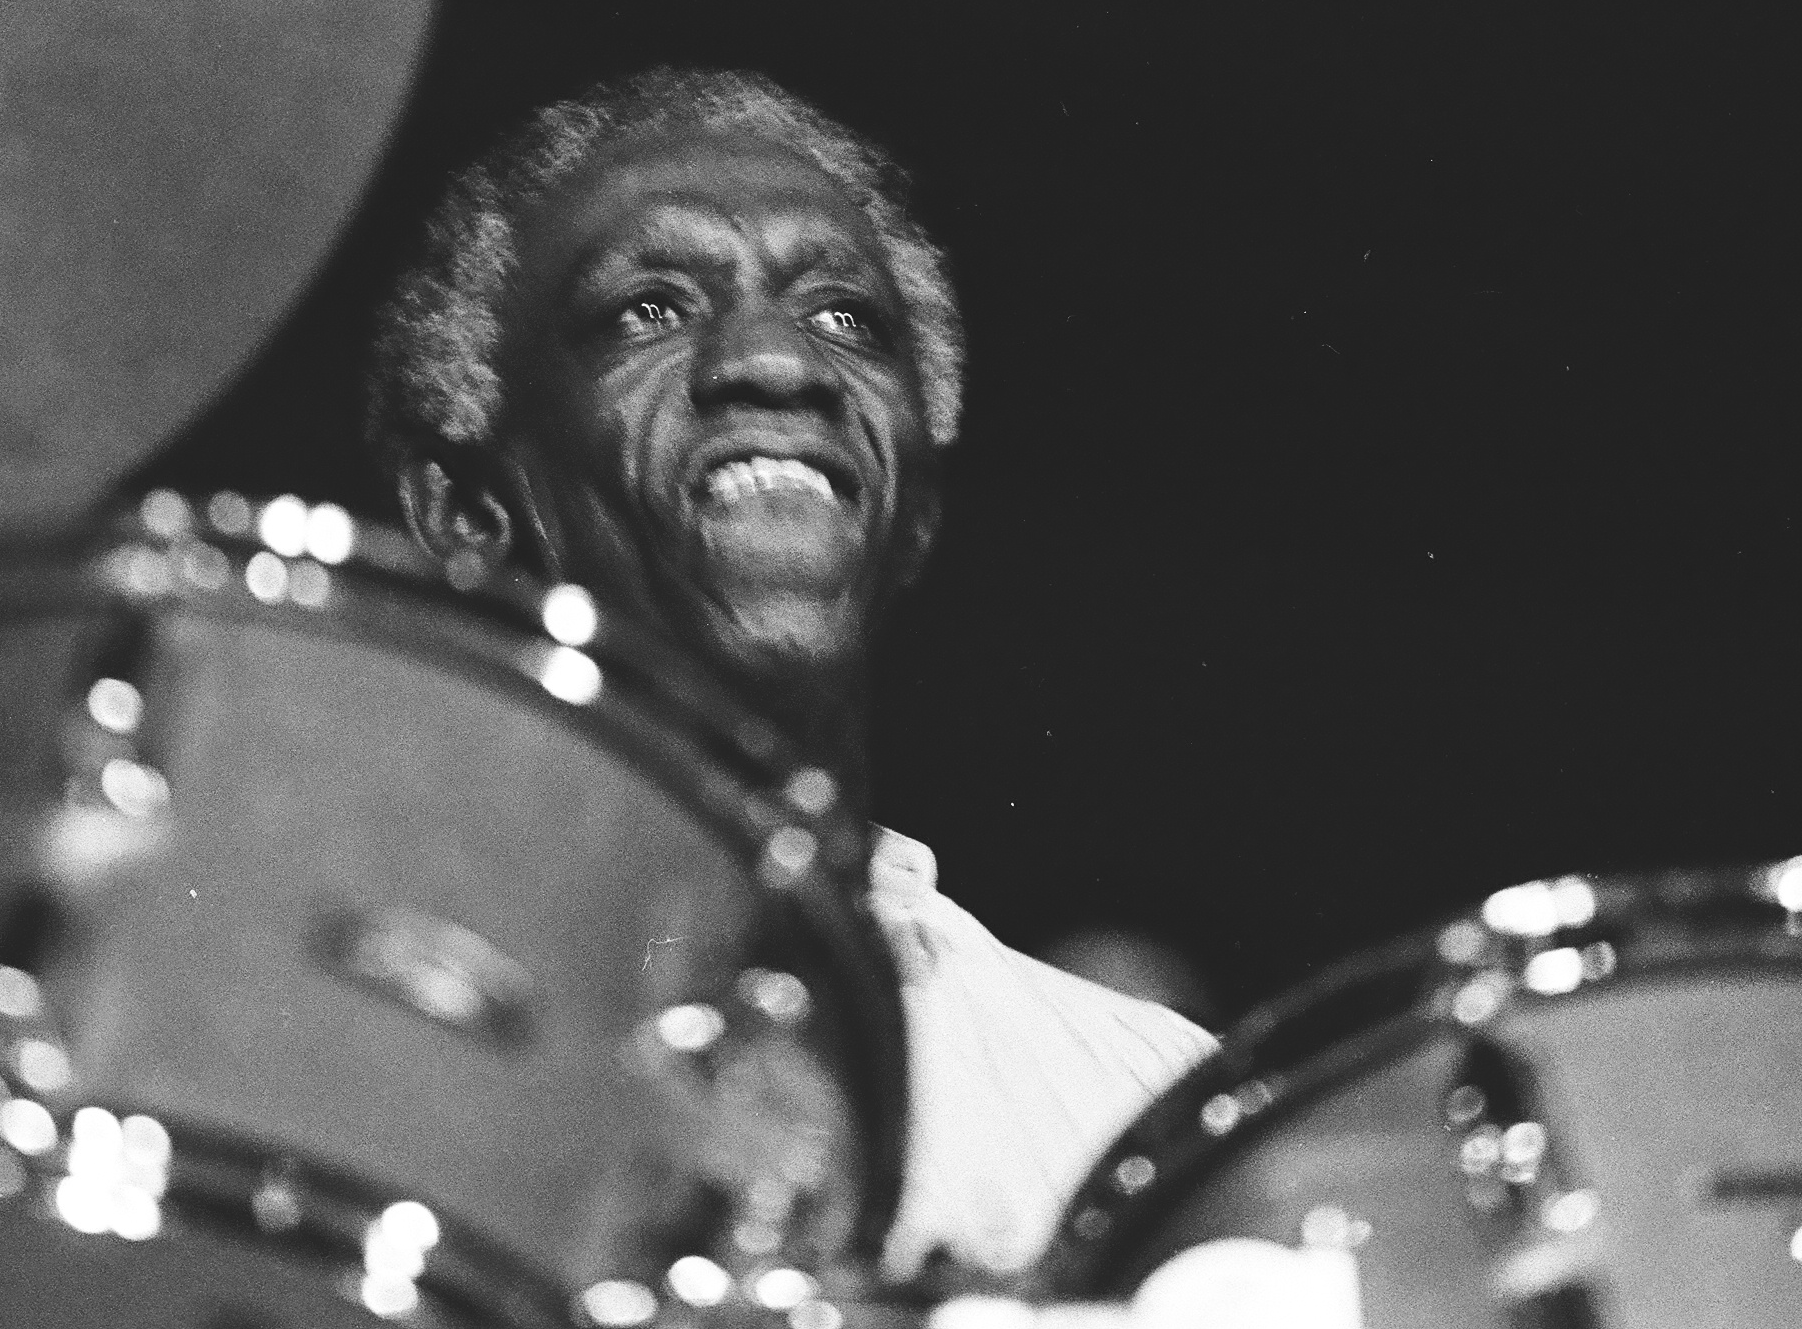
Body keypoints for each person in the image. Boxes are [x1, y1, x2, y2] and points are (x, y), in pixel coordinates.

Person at [363, 67, 1218, 1284]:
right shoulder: (324, 1021)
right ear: (468, 515)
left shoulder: (1148, 1116)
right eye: (650, 307)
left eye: (845, 319)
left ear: (914, 514)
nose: (778, 361)